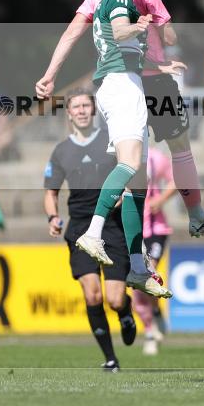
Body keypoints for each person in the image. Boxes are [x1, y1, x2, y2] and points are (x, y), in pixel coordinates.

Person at [35, 0, 204, 239]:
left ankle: (135, 259)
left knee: (134, 172)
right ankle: (195, 216)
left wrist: (49, 75)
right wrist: (157, 15)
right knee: (178, 149)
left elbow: (72, 34)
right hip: (149, 81)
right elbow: (170, 38)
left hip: (118, 83)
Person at [70, 0, 178, 299]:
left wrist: (160, 64)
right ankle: (94, 232)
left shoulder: (121, 0)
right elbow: (119, 32)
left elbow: (122, 47)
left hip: (125, 83)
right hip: (121, 88)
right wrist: (141, 23)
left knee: (138, 186)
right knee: (130, 164)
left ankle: (135, 266)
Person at [44, 87, 137, 372]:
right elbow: (50, 192)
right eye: (77, 107)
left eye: (86, 105)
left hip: (111, 225)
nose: (82, 111)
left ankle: (125, 311)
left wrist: (126, 194)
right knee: (92, 295)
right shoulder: (61, 151)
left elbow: (132, 172)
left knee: (114, 298)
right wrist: (53, 217)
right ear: (69, 113)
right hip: (80, 228)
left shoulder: (111, 142)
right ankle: (110, 358)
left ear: (93, 110)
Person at [133, 147, 175, 356]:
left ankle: (154, 319)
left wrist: (161, 199)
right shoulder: (115, 154)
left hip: (155, 230)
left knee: (147, 274)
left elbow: (176, 180)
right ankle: (151, 328)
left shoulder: (155, 157)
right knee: (137, 286)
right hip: (131, 230)